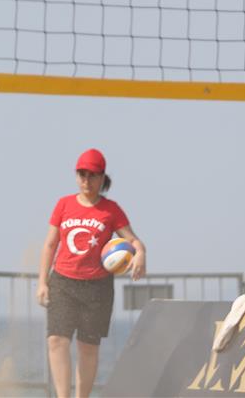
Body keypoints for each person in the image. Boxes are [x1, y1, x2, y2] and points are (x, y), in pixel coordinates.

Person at [37, 148, 146, 398]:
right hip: (63, 282)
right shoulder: (63, 204)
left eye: (92, 175)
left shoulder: (111, 210)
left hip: (97, 288)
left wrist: (140, 253)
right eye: (82, 174)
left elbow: (134, 240)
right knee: (56, 340)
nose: (86, 180)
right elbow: (50, 245)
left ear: (102, 177)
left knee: (88, 347)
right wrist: (42, 282)